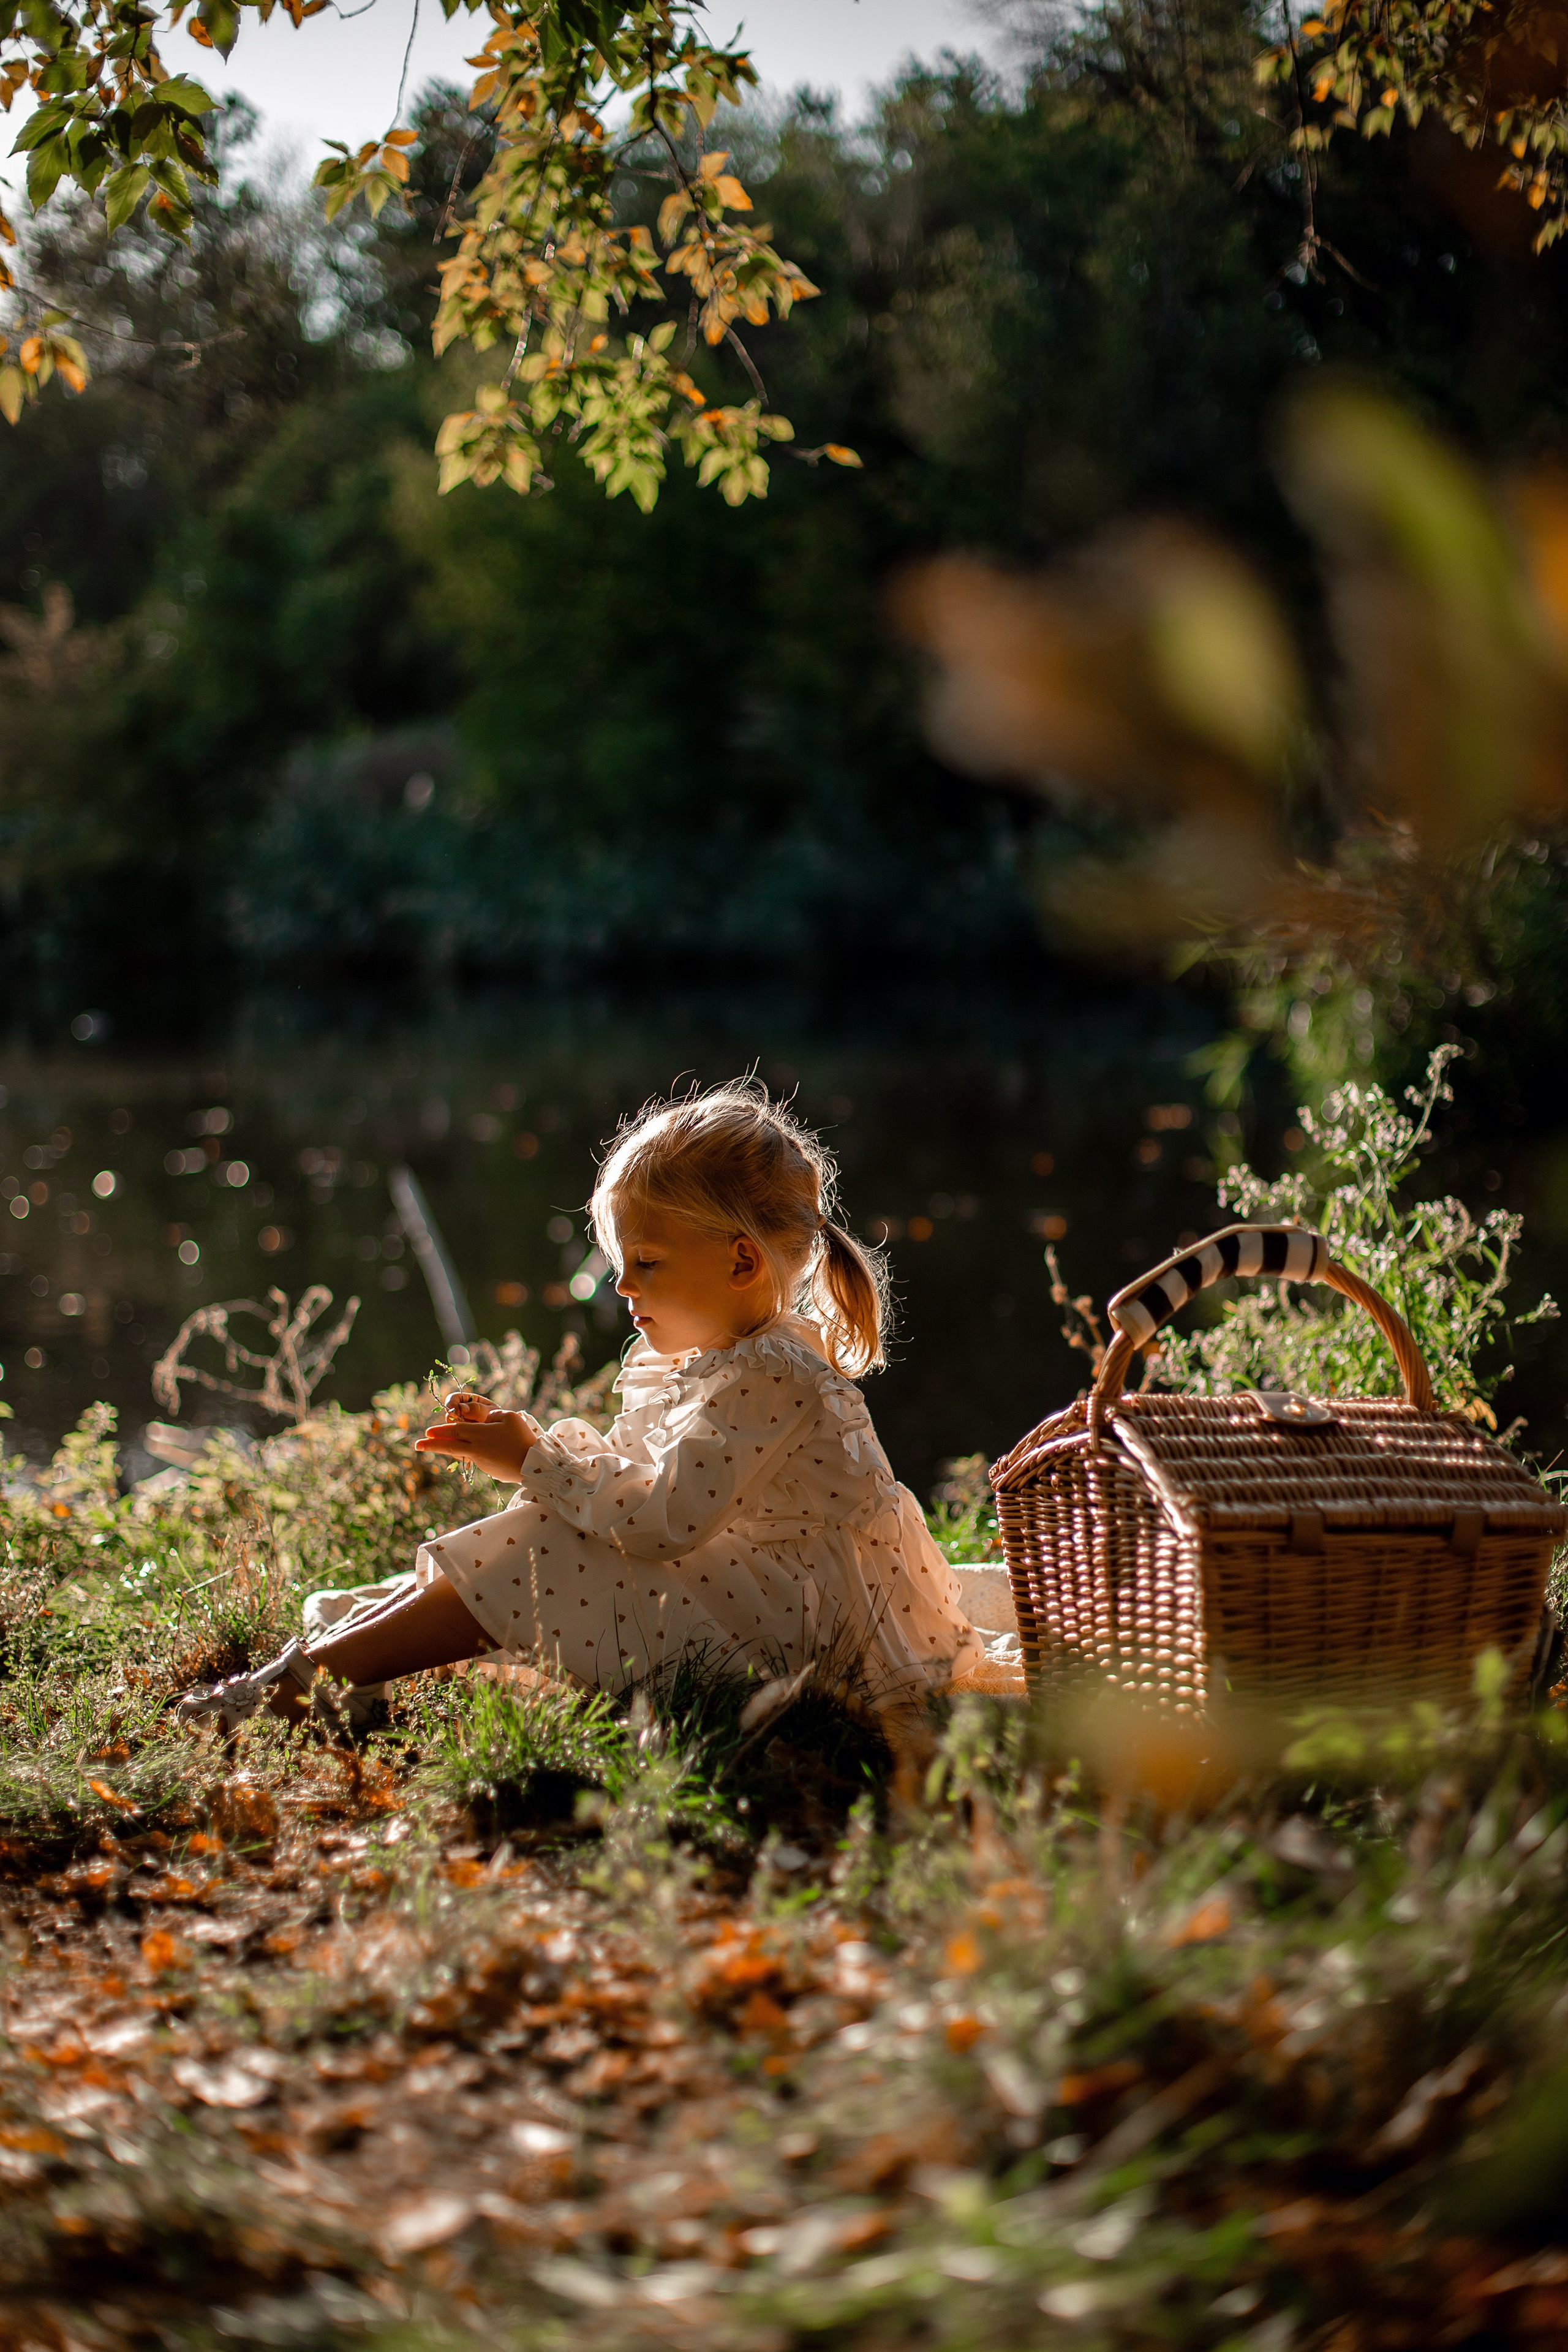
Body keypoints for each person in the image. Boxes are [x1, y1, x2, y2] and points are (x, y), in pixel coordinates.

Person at [175, 1080, 983, 1733]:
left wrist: (533, 1461)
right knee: (544, 1538)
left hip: (810, 1639)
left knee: (544, 1548)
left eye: (648, 1262)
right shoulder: (717, 1361)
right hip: (767, 1601)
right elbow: (638, 1485)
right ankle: (331, 1660)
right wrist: (530, 1454)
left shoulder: (773, 1376)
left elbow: (661, 1519)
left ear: (742, 1262)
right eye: (619, 1262)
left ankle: (310, 1676)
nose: (624, 1287)